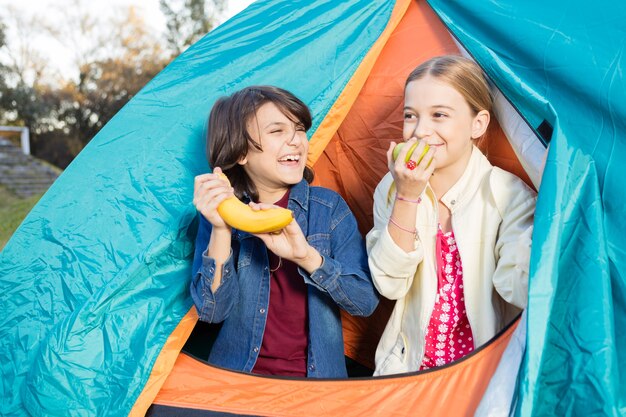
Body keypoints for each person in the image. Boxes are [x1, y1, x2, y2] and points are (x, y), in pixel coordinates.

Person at [191, 85, 379, 378]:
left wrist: (306, 257)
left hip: (315, 388)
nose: (295, 141)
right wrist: (220, 229)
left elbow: (364, 301)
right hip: (236, 383)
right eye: (277, 131)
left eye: (300, 129)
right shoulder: (218, 216)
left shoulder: (328, 210)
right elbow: (212, 311)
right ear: (240, 152)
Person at [366, 55, 536, 375]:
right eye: (410, 115)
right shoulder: (392, 188)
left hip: (483, 376)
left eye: (439, 115)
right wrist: (408, 196)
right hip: (408, 373)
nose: (420, 131)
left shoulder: (510, 195)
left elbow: (519, 287)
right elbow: (389, 284)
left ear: (478, 123)